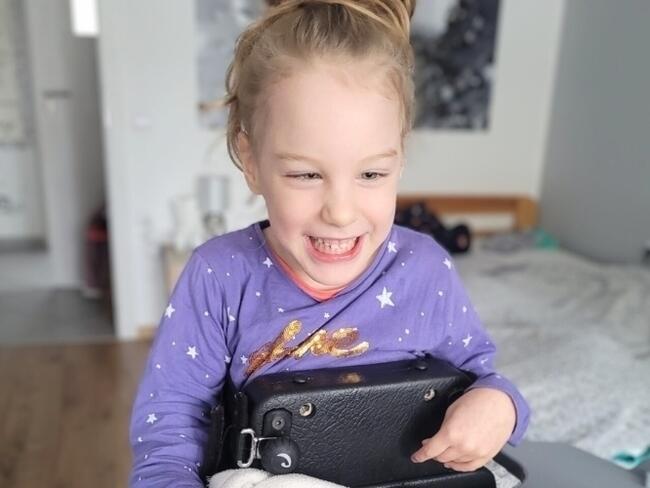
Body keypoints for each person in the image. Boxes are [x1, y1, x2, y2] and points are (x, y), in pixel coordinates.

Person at [129, 1, 530, 485]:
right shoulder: (220, 276)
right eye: (306, 174)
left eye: (371, 174)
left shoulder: (426, 270)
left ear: (400, 159)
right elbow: (168, 434)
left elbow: (483, 379)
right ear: (251, 161)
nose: (340, 212)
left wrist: (501, 405)